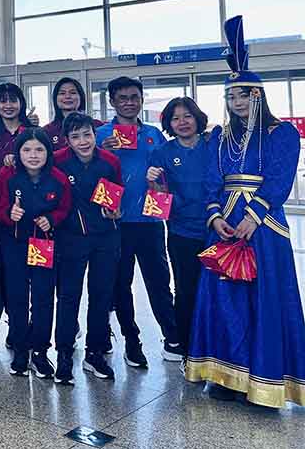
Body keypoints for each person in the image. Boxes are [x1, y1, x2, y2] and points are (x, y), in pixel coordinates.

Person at [186, 16, 305, 408]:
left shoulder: (282, 133)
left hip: (264, 226)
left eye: (243, 95)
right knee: (222, 300)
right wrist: (216, 216)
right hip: (223, 227)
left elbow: (278, 179)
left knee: (264, 299)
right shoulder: (219, 136)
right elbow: (211, 180)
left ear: (258, 95)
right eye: (230, 97)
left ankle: (265, 380)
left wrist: (251, 218)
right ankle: (225, 376)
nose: (236, 103)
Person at [95, 77, 181, 367]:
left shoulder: (155, 134)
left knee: (159, 280)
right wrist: (101, 152)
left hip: (150, 220)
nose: (129, 102)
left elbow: (168, 174)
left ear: (142, 100)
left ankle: (172, 337)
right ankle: (131, 340)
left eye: (134, 97)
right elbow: (92, 175)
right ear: (112, 102)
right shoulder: (101, 135)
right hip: (116, 223)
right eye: (123, 98)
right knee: (121, 284)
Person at [0, 128, 71, 378]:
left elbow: (65, 208)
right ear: (18, 152)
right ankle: (19, 348)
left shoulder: (58, 178)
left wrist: (52, 218)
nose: (33, 155)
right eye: (27, 150)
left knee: (43, 297)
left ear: (49, 153)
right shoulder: (7, 175)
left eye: (39, 150)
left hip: (44, 245)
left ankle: (39, 350)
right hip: (14, 244)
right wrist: (9, 214)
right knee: (16, 297)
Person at [52, 113, 122, 385]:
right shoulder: (57, 161)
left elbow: (116, 194)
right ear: (68, 140)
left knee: (101, 295)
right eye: (76, 136)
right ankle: (64, 353)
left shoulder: (110, 161)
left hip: (105, 236)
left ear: (95, 135)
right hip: (70, 238)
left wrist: (115, 210)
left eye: (87, 135)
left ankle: (95, 352)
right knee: (68, 297)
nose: (83, 142)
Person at [147, 97, 210, 357]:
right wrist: (152, 183)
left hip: (216, 229)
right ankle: (187, 347)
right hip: (181, 232)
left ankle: (218, 347)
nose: (182, 122)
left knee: (218, 289)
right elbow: (158, 200)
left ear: (197, 118)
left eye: (187, 116)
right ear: (168, 123)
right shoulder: (162, 152)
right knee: (186, 289)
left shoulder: (213, 145)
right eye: (175, 118)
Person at [44, 77, 100, 151]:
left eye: (73, 93)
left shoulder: (98, 126)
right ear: (55, 99)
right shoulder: (47, 131)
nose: (67, 96)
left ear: (81, 97)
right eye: (62, 93)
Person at [0, 83, 33, 171]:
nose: (8, 105)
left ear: (21, 103)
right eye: (3, 101)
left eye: (13, 101)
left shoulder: (33, 131)